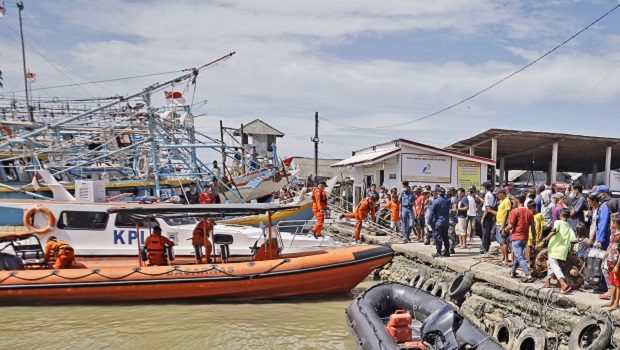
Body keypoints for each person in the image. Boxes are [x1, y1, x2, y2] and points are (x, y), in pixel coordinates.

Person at [537, 209, 575, 294]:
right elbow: (573, 239)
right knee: (550, 264)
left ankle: (563, 283)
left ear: (561, 215)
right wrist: (572, 250)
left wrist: (543, 241)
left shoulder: (558, 222)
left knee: (553, 264)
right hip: (563, 250)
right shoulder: (568, 226)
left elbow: (553, 231)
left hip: (555, 248)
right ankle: (547, 282)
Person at [504, 193, 535, 283]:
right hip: (525, 237)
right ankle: (513, 272)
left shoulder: (515, 211)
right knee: (518, 255)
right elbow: (533, 227)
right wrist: (534, 238)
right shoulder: (529, 212)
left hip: (516, 237)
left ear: (517, 200)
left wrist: (504, 230)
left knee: (520, 257)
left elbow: (510, 225)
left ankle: (527, 274)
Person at [488, 188, 512, 265]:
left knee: (503, 241)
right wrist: (491, 211)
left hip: (503, 223)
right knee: (500, 241)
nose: (497, 196)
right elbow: (499, 213)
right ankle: (503, 256)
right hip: (498, 222)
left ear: (502, 193)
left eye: (498, 194)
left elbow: (506, 213)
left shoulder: (507, 201)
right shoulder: (501, 201)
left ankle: (506, 257)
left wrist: (502, 225)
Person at [427, 187, 451, 258]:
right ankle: (447, 251)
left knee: (438, 237)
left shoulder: (437, 201)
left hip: (438, 222)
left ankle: (438, 252)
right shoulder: (448, 201)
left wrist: (429, 222)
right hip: (446, 222)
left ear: (437, 193)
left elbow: (431, 212)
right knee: (445, 237)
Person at [603, 213, 620, 309]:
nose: (610, 223)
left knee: (618, 283)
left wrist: (618, 265)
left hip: (616, 262)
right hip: (611, 260)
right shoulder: (613, 233)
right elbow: (610, 245)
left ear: (616, 223)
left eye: (612, 222)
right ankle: (611, 300)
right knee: (613, 282)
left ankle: (616, 303)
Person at [480, 182, 496, 254]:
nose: (481, 188)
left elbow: (487, 208)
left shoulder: (488, 195)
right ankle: (485, 246)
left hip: (487, 214)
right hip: (486, 213)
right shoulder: (487, 195)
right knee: (484, 232)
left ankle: (486, 247)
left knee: (486, 232)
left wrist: (483, 218)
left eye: (482, 187)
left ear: (485, 187)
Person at [447, 187, 458, 254]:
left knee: (451, 233)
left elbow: (454, 209)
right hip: (448, 218)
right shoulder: (449, 198)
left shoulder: (454, 199)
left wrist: (446, 210)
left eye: (449, 191)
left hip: (451, 218)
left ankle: (451, 248)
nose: (448, 192)